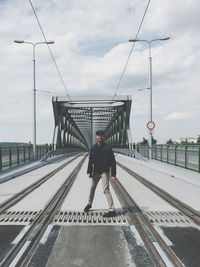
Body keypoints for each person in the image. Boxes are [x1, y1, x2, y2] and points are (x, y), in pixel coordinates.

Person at [84, 130, 117, 217]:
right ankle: (89, 204)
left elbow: (113, 162)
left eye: (101, 135)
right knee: (92, 188)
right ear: (96, 137)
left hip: (105, 172)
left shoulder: (108, 148)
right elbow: (90, 160)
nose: (100, 137)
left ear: (103, 136)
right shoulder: (93, 148)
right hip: (96, 172)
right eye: (98, 135)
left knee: (106, 190)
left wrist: (113, 174)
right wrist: (89, 171)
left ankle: (112, 210)